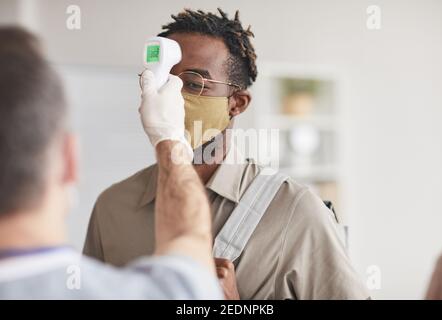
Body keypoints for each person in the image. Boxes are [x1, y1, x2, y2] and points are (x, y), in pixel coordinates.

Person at [84, 8, 369, 299]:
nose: (170, 98)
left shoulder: (295, 211)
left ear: (237, 103)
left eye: (194, 84)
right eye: (162, 82)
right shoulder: (112, 207)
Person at [0, 26, 222, 299]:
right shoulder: (163, 292)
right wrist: (169, 139)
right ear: (70, 160)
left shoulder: (287, 204)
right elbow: (189, 244)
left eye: (196, 83)